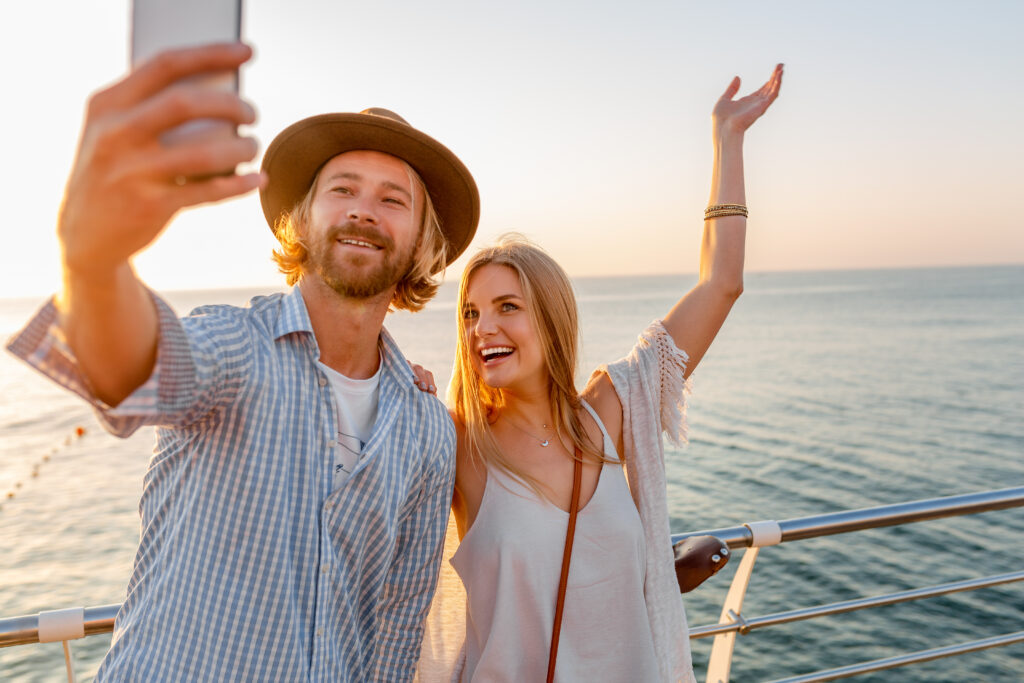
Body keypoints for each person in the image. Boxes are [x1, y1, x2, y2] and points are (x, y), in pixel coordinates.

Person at [7, 43, 479, 681]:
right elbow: (137, 370)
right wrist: (91, 261)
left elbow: (397, 624)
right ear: (302, 221)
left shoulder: (426, 428)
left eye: (394, 200)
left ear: (423, 241)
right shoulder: (233, 347)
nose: (364, 209)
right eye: (342, 189)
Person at [417, 64, 783, 682]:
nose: (484, 328)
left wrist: (728, 139)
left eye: (509, 308)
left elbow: (722, 284)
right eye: (473, 313)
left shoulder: (613, 408)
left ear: (552, 319)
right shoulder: (459, 442)